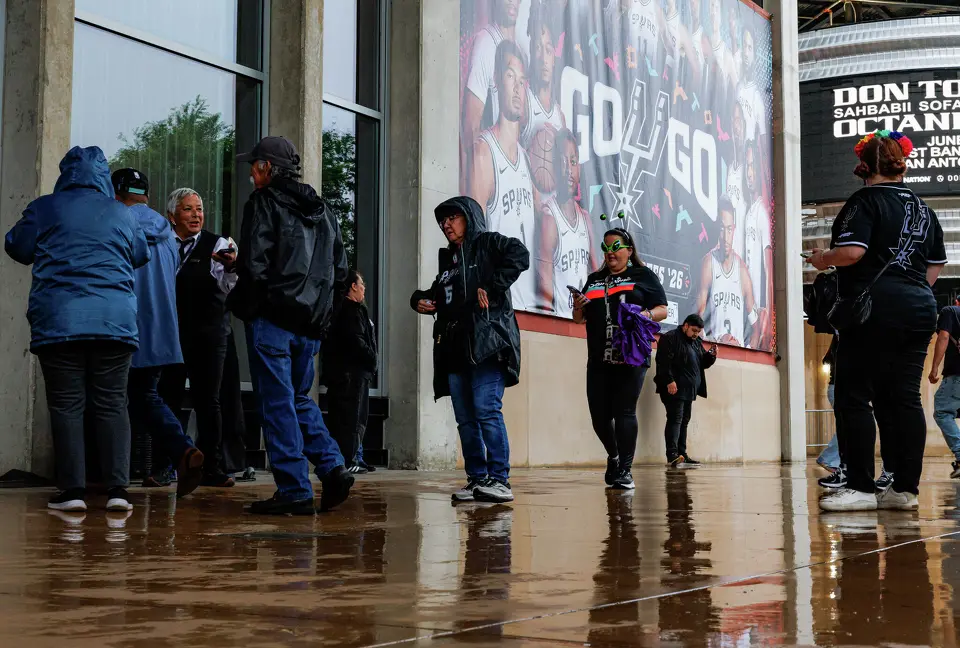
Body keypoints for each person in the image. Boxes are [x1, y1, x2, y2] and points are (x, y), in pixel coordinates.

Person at [4, 146, 150, 512]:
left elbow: (17, 247)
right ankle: (118, 490)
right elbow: (140, 254)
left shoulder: (45, 207)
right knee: (113, 403)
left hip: (61, 320)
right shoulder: (121, 212)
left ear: (65, 172)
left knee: (68, 405)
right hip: (114, 322)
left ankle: (72, 493)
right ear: (103, 175)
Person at [811, 130, 946, 512]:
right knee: (903, 398)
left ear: (865, 167)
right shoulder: (925, 209)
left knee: (853, 394)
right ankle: (904, 489)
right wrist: (909, 289)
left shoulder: (865, 200)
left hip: (873, 309)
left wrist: (823, 259)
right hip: (919, 307)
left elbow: (853, 252)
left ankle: (860, 487)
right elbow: (934, 266)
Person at [230, 135, 354, 515]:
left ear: (268, 168)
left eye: (255, 165)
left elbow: (254, 264)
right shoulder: (326, 212)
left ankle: (295, 488)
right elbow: (342, 271)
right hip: (309, 326)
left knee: (278, 403)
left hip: (274, 321)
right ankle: (333, 468)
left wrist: (245, 306)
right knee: (299, 399)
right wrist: (320, 314)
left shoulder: (264, 203)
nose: (251, 172)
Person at [410, 196, 529, 504]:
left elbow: (520, 254)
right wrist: (418, 300)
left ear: (469, 217)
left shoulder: (487, 244)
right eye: (442, 221)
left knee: (487, 409)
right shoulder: (449, 260)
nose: (445, 224)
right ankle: (477, 479)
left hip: (486, 344)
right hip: (453, 348)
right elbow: (435, 292)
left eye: (452, 218)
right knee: (465, 418)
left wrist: (492, 286)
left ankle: (500, 480)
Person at [112, 169, 205, 499]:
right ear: (147, 196)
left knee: (112, 402)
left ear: (117, 193)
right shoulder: (167, 232)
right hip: (163, 333)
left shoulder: (118, 223)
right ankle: (183, 450)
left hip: (125, 329)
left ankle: (112, 480)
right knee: (144, 398)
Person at [573, 227, 668, 489]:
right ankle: (613, 456)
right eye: (605, 248)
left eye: (616, 247)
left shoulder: (642, 276)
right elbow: (579, 319)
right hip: (598, 357)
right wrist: (578, 305)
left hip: (631, 355)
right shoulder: (594, 279)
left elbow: (663, 309)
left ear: (629, 250)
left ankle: (625, 469)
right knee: (599, 416)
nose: (610, 253)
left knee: (624, 411)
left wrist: (643, 315)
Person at [163, 187, 237, 489]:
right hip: (172, 334)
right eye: (188, 209)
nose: (196, 215)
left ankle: (213, 468)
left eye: (199, 208)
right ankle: (167, 465)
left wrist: (231, 266)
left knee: (209, 400)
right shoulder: (163, 244)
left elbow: (229, 286)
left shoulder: (218, 244)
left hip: (209, 333)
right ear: (172, 216)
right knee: (168, 397)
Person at [470, 39, 538, 311]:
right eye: (511, 76)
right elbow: (474, 238)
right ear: (497, 80)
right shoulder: (484, 151)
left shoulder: (527, 159)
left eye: (522, 80)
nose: (518, 87)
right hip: (497, 301)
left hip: (527, 302)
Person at [462, 0, 522, 191]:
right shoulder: (487, 43)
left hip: (513, 177)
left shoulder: (519, 50)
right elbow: (470, 125)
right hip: (492, 179)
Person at [537, 128, 597, 316]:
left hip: (585, 320)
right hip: (561, 318)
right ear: (554, 167)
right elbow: (544, 285)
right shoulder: (549, 217)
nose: (568, 170)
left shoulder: (585, 218)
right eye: (562, 162)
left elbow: (596, 272)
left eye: (572, 162)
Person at [324, 269, 378, 474]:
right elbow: (357, 341)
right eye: (362, 284)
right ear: (353, 286)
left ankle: (356, 456)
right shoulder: (350, 310)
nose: (364, 288)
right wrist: (372, 360)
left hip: (353, 374)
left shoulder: (350, 310)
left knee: (356, 417)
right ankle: (349, 459)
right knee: (352, 418)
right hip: (351, 375)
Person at [654, 314, 717, 467]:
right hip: (673, 388)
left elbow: (703, 363)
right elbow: (662, 361)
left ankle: (682, 454)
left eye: (698, 332)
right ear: (686, 325)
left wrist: (711, 356)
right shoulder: (670, 338)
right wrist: (669, 380)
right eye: (694, 330)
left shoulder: (696, 342)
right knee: (675, 419)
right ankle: (672, 455)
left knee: (684, 421)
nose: (696, 334)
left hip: (689, 390)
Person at [696, 196, 760, 347]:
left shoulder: (742, 271)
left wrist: (748, 351)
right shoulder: (708, 264)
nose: (725, 236)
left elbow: (756, 327)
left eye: (729, 229)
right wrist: (709, 345)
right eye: (721, 228)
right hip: (715, 353)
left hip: (737, 356)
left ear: (734, 229)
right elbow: (697, 317)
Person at [519, 5, 565, 149]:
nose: (543, 58)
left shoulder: (559, 116)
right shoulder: (523, 102)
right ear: (531, 53)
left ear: (553, 60)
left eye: (548, 50)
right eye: (538, 48)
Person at [927, 298, 960, 479]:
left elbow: (944, 336)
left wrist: (934, 368)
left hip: (957, 375)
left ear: (957, 301)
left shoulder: (951, 311)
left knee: (942, 411)